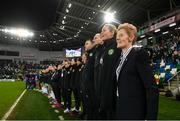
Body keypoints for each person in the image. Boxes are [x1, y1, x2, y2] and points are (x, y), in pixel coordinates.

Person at [115, 23, 159, 120]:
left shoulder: (138, 54)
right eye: (117, 36)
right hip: (121, 108)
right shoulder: (119, 59)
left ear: (131, 37)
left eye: (121, 35)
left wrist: (151, 117)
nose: (117, 38)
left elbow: (152, 88)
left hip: (135, 111)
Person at [98, 24, 120, 119]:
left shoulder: (116, 46)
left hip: (112, 93)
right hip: (104, 92)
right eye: (102, 30)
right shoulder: (105, 48)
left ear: (112, 32)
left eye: (104, 30)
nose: (102, 32)